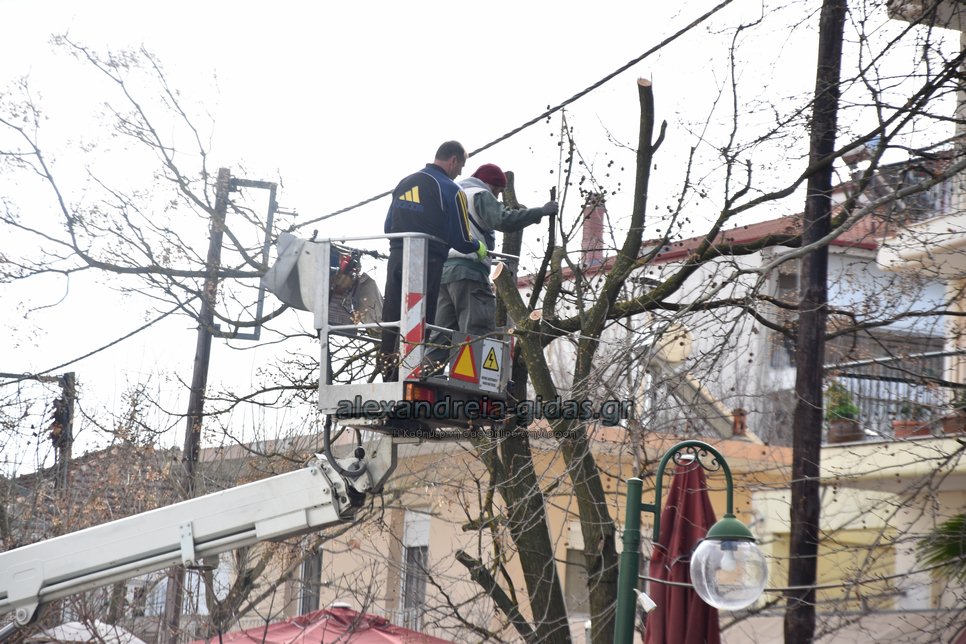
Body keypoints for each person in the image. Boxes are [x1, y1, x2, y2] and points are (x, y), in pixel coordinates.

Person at [426, 163, 558, 371]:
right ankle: (472, 382)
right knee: (476, 330)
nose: (496, 198)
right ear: (490, 184)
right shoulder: (479, 194)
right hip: (468, 272)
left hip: (443, 274)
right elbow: (504, 219)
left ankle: (424, 377)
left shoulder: (451, 194)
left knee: (441, 334)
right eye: (497, 192)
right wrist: (539, 212)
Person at [380, 141, 484, 381]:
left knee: (392, 315)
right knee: (420, 318)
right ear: (453, 160)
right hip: (428, 261)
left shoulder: (405, 182)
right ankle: (408, 375)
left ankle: (387, 373)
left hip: (396, 256)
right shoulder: (451, 189)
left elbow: (387, 225)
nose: (460, 172)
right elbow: (460, 238)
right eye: (461, 166)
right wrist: (476, 246)